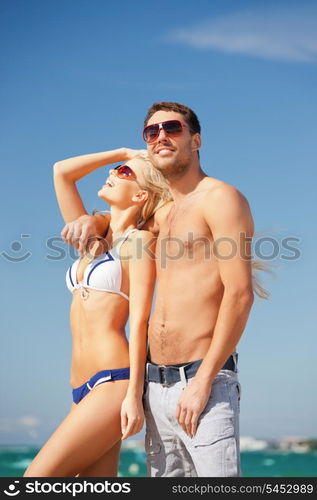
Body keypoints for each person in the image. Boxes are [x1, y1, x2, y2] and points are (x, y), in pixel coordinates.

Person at [62, 102, 268, 477]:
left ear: (196, 140)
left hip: (203, 384)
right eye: (151, 132)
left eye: (172, 129)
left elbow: (240, 295)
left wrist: (203, 381)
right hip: (154, 388)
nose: (161, 137)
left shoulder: (221, 198)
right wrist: (94, 218)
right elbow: (124, 223)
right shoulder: (160, 213)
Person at [24, 147, 171, 477]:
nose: (113, 172)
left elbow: (141, 321)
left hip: (113, 382)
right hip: (79, 388)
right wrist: (121, 152)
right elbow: (62, 172)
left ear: (140, 195)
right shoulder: (92, 240)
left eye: (124, 172)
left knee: (34, 481)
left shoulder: (140, 242)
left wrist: (134, 395)